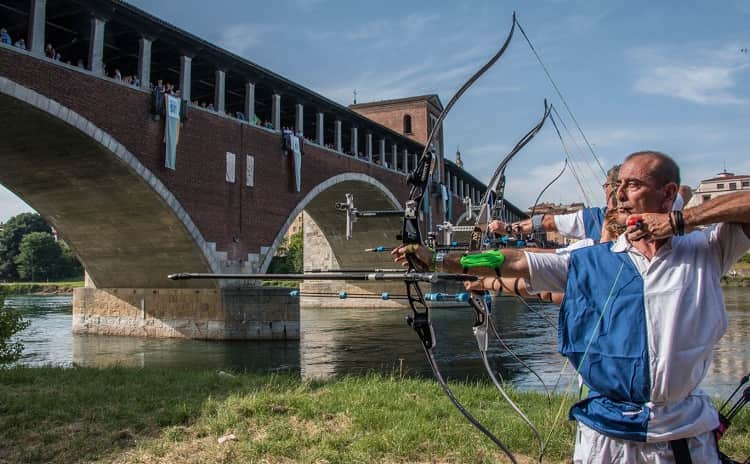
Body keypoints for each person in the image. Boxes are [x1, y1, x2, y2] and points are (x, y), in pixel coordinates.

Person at [393, 151, 750, 463]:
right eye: (618, 186)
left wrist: (678, 222)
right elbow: (514, 260)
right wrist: (441, 258)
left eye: (633, 185)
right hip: (605, 433)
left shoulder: (706, 250)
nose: (619, 196)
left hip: (682, 432)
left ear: (668, 193)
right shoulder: (588, 259)